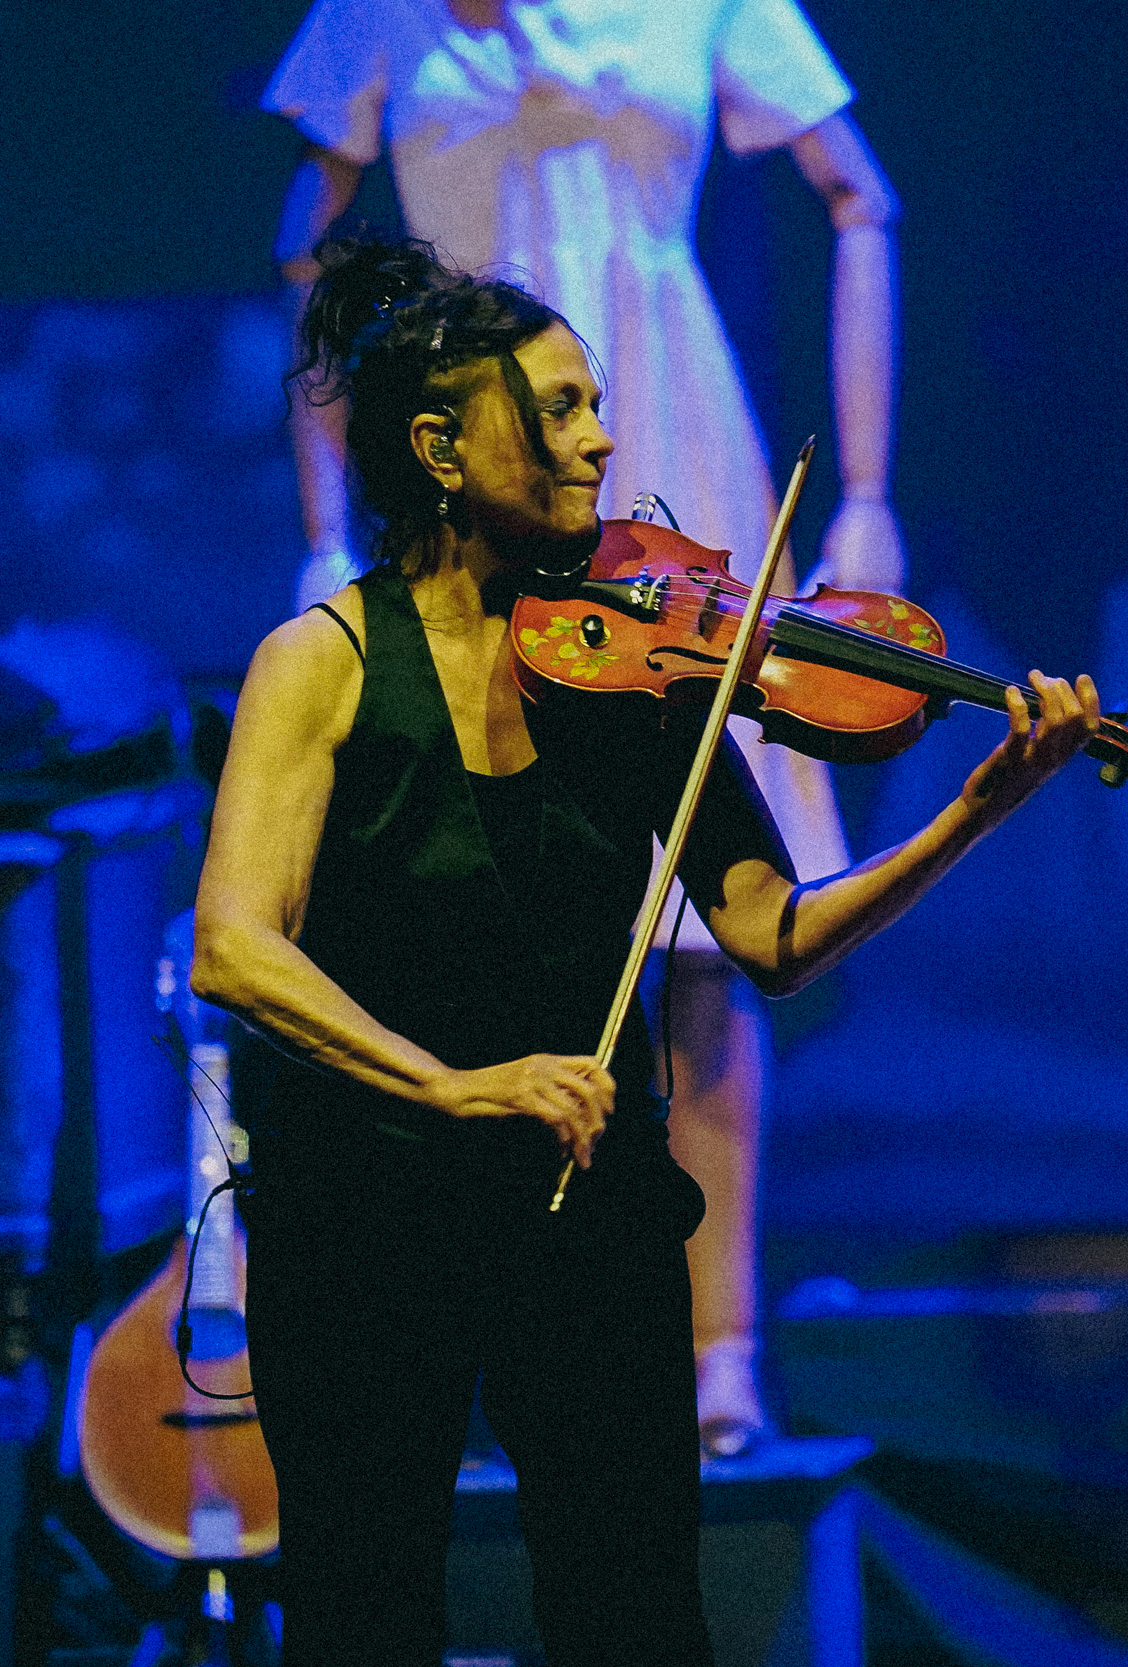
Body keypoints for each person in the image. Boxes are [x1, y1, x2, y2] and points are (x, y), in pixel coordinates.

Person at [190, 235, 1096, 1662]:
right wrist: (452, 1086)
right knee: (365, 1619)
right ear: (439, 443)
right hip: (365, 1218)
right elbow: (235, 951)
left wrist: (972, 815)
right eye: (555, 408)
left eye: (597, 403)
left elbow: (775, 939)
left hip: (584, 1202)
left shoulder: (637, 665)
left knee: (633, 1619)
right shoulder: (323, 661)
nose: (601, 438)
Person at [263, 0, 904, 1453]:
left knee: (701, 933)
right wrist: (318, 524)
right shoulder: (383, 15)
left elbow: (862, 193)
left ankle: (719, 1342)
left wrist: (865, 488)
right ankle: (482, 1344)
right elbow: (309, 249)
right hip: (461, 453)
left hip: (660, 424)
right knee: (461, 901)